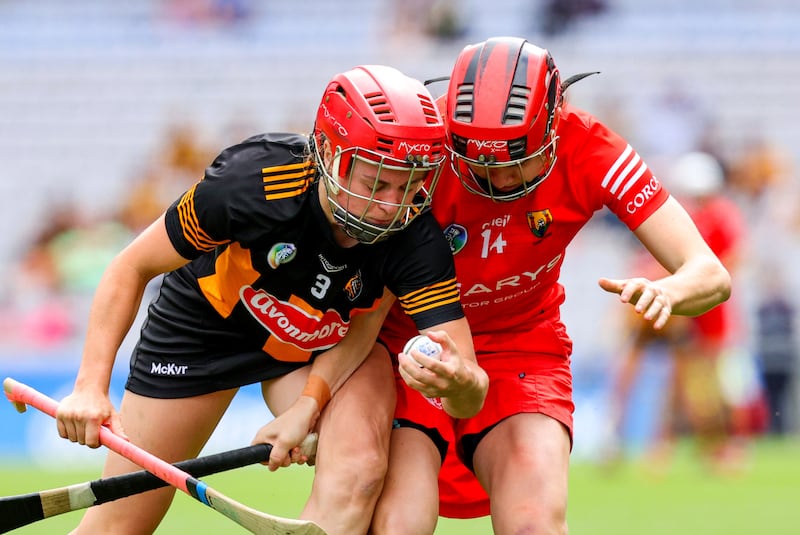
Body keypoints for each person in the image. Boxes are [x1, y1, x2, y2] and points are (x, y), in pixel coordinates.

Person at [54, 64, 487, 535]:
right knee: (119, 525)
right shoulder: (254, 181)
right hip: (205, 332)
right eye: (375, 182)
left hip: (315, 351)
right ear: (327, 151)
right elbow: (130, 267)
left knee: (360, 470)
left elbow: (456, 379)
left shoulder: (413, 234)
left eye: (409, 184)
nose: (391, 206)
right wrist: (91, 387)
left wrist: (455, 382)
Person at [370, 37, 731, 535]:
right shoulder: (421, 143)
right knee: (399, 526)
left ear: (553, 123)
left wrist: (669, 291)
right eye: (479, 161)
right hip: (407, 349)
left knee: (533, 524)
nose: (497, 180)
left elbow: (709, 273)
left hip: (521, 347)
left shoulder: (591, 147)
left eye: (515, 159)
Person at [611, 151, 749, 472]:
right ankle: (691, 446)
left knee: (716, 384)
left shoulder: (718, 215)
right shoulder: (696, 215)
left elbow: (733, 260)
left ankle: (724, 445)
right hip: (686, 315)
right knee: (689, 385)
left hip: (711, 317)